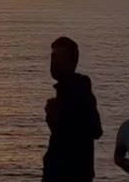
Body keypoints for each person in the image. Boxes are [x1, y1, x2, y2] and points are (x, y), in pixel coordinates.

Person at [43, 37, 103, 182]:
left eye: (58, 57)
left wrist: (59, 119)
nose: (54, 61)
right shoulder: (63, 92)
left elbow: (95, 129)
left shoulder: (80, 90)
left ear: (72, 62)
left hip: (72, 173)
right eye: (52, 57)